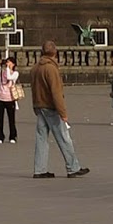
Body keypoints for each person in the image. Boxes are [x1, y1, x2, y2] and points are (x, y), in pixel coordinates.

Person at [30, 41, 88, 179]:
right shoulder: (51, 69)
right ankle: (73, 167)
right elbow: (56, 92)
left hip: (40, 106)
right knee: (63, 137)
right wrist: (63, 113)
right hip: (51, 107)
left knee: (41, 138)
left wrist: (35, 106)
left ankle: (39, 169)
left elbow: (34, 89)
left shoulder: (35, 68)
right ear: (55, 53)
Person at [0, 53, 21, 143]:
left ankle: (13, 136)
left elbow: (9, 77)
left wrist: (8, 69)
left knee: (11, 119)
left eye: (9, 62)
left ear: (13, 64)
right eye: (7, 62)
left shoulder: (15, 73)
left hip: (10, 99)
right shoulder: (2, 72)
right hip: (0, 98)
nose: (7, 64)